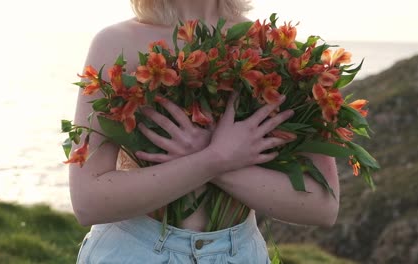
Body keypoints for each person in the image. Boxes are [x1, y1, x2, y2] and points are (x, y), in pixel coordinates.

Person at [69, 0, 340, 263]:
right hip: (134, 252)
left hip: (240, 254)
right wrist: (213, 158)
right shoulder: (116, 42)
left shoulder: (274, 48)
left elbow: (323, 206)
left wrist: (215, 159)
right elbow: (88, 202)